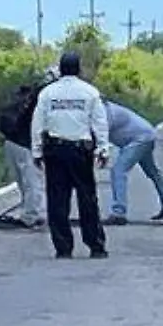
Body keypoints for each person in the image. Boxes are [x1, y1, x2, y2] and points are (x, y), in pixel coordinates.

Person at [30, 52, 111, 259]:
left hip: (55, 151)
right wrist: (103, 149)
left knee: (57, 200)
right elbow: (99, 123)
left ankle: (63, 248)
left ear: (61, 68)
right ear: (79, 69)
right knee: (87, 200)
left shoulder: (48, 93)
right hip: (80, 152)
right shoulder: (90, 92)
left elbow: (38, 123)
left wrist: (37, 150)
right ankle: (96, 245)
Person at [101, 99, 163, 226]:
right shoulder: (108, 108)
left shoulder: (105, 112)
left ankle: (119, 212)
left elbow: (101, 135)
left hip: (138, 140)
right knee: (152, 172)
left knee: (118, 171)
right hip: (146, 134)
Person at [0, 82, 47, 228]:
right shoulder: (42, 102)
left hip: (13, 143)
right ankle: (32, 215)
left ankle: (30, 211)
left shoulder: (20, 106)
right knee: (32, 181)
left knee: (25, 182)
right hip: (25, 145)